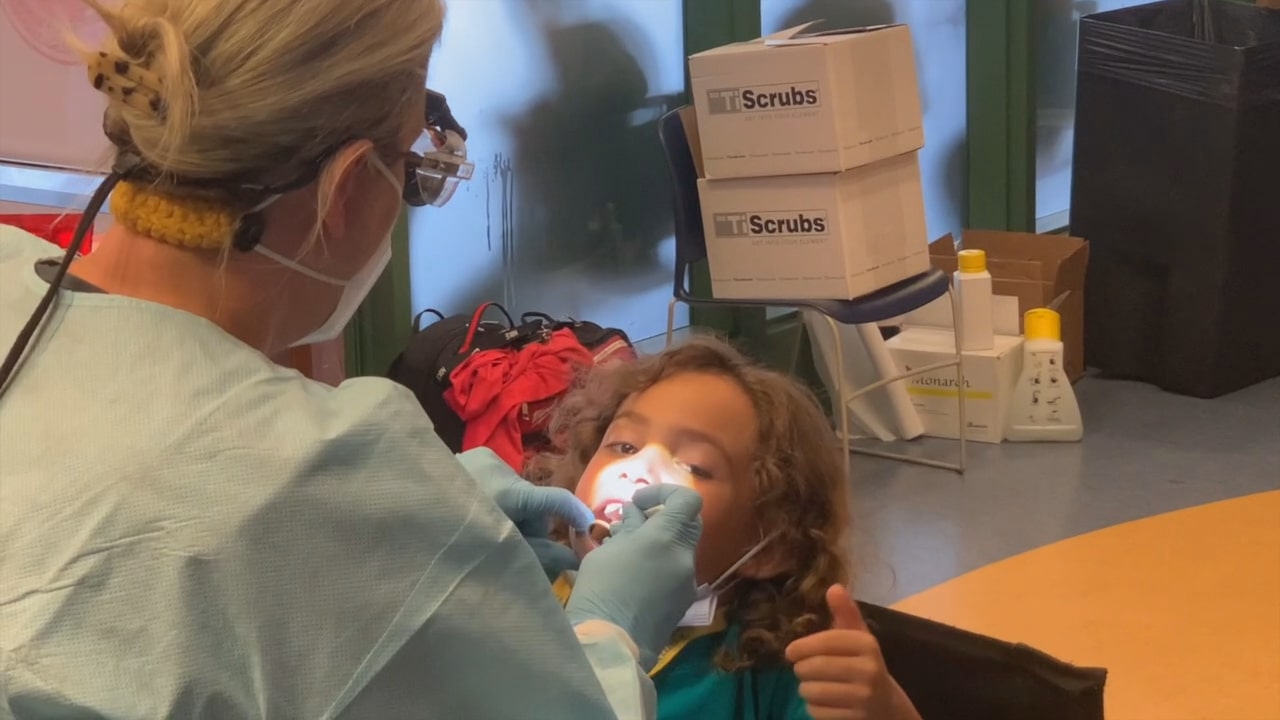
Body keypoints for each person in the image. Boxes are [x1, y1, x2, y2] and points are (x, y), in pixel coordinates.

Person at [0, 1, 703, 717]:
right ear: (351, 184)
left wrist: (413, 522)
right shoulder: (322, 476)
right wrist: (608, 627)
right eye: (411, 161)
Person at [537, 337, 923, 720]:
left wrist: (885, 708)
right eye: (624, 446)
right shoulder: (525, 595)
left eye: (694, 467)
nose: (639, 470)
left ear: (766, 545)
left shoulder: (776, 666)